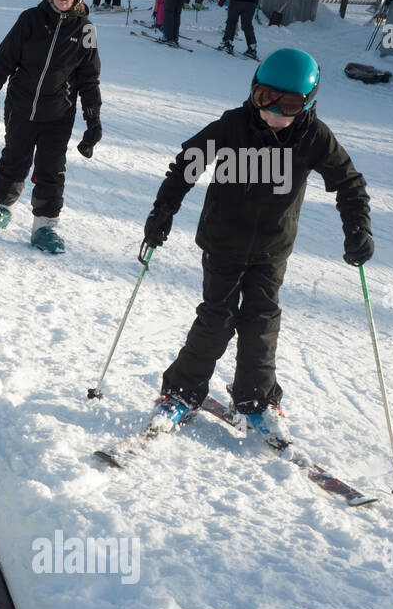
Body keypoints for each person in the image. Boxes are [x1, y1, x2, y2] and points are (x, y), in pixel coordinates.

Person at [141, 48, 373, 442]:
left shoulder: (314, 136)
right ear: (253, 91)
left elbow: (349, 183)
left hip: (271, 250)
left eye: (291, 105)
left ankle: (256, 399)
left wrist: (358, 228)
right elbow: (186, 166)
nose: (275, 113)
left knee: (262, 323)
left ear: (309, 103)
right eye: (266, 98)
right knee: (217, 319)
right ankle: (181, 391)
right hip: (223, 243)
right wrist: (163, 211)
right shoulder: (233, 126)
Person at [0, 0, 101, 255]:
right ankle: (2, 207)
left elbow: (89, 78)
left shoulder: (86, 30)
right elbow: (5, 60)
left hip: (58, 114)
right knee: (14, 159)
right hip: (20, 106)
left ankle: (45, 226)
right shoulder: (30, 19)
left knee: (51, 169)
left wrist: (93, 120)